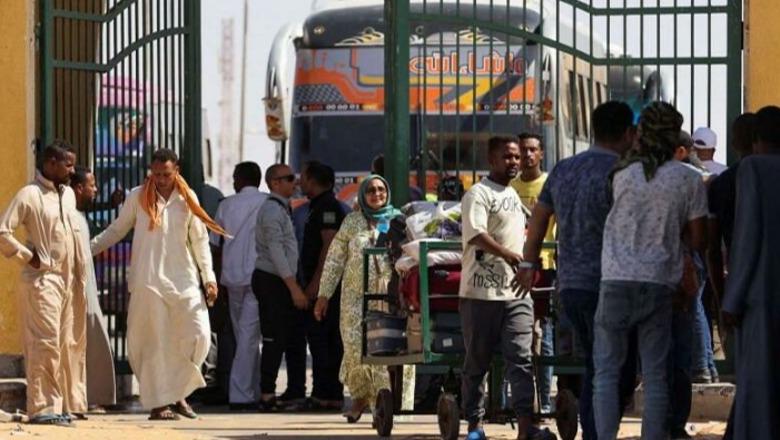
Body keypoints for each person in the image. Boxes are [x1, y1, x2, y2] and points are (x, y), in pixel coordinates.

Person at [520, 101, 638, 440]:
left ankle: (595, 430)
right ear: (628, 133)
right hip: (613, 284)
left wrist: (529, 264)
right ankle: (598, 432)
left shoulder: (563, 169)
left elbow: (539, 219)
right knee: (614, 369)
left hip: (570, 285)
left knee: (596, 365)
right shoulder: (624, 172)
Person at [593, 102, 708, 440]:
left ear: (641, 133)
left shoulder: (619, 173)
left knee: (607, 372)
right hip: (660, 283)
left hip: (615, 281)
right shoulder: (689, 178)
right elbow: (700, 240)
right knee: (657, 376)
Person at [91, 148, 226, 421]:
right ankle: (160, 403)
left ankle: (179, 393)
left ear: (176, 171)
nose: (162, 179)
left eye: (167, 174)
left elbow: (200, 242)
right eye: (157, 174)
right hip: (148, 280)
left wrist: (208, 278)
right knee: (154, 344)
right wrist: (87, 249)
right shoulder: (137, 196)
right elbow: (117, 229)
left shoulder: (188, 199)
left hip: (184, 280)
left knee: (198, 334)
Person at [459, 135, 551, 440]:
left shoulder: (513, 195)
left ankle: (526, 425)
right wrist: (507, 253)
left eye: (516, 156)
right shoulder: (478, 194)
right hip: (481, 294)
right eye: (507, 157)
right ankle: (475, 424)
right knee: (477, 363)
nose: (514, 161)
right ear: (491, 160)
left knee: (521, 359)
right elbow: (475, 234)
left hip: (516, 294)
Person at [313, 175, 415, 423]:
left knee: (388, 349)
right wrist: (323, 295)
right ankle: (360, 396)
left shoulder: (399, 221)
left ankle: (385, 406)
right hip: (354, 297)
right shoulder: (351, 222)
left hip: (390, 297)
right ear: (362, 194)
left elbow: (412, 258)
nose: (376, 194)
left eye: (381, 189)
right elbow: (335, 260)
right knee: (354, 348)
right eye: (370, 190)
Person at [0, 140, 87, 426]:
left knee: (64, 345)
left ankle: (58, 404)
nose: (72, 170)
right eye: (68, 164)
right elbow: (3, 232)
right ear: (51, 163)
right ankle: (41, 408)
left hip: (66, 283)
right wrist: (28, 256)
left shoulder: (68, 196)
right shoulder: (29, 194)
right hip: (41, 281)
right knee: (44, 344)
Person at [721, 105, 780, 440]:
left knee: (758, 381)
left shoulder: (752, 169)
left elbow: (746, 237)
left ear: (756, 140)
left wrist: (732, 297)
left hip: (761, 293)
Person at [284, 161, 347, 411]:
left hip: (325, 289)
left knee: (325, 341)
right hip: (324, 286)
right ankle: (328, 393)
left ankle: (326, 394)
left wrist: (316, 284)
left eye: (303, 177)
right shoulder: (317, 207)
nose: (300, 182)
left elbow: (330, 247)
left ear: (312, 180)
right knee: (324, 341)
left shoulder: (328, 208)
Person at [209, 162, 268, 410]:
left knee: (243, 334)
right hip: (258, 275)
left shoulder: (225, 205)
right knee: (249, 336)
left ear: (240, 179)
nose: (232, 182)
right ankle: (245, 392)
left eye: (234, 177)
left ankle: (244, 391)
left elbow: (215, 245)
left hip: (231, 278)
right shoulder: (268, 202)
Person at [253, 164, 309, 411]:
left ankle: (273, 392)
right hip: (273, 280)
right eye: (289, 178)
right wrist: (293, 287)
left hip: (278, 279)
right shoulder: (272, 211)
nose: (294, 183)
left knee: (282, 337)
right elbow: (276, 251)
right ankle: (266, 394)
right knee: (273, 338)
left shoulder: (280, 208)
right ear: (275, 183)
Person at [509, 132, 555, 414]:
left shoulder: (550, 185)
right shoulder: (509, 187)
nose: (527, 155)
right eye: (523, 150)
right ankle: (508, 403)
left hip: (544, 266)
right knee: (511, 335)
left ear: (540, 154)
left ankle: (546, 401)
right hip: (513, 267)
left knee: (544, 336)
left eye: (532, 150)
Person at [70, 166, 117, 413]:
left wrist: (110, 206)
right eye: (92, 185)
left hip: (87, 289)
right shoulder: (67, 214)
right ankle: (83, 398)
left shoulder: (78, 214)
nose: (95, 189)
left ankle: (89, 397)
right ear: (79, 188)